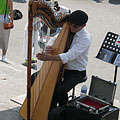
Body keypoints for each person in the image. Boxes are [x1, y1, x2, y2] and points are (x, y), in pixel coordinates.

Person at [36, 10, 92, 107]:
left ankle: (63, 110)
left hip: (75, 71)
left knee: (60, 90)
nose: (71, 27)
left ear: (84, 26)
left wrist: (49, 58)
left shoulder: (85, 38)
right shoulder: (67, 29)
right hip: (61, 67)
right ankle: (48, 108)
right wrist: (49, 46)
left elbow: (70, 55)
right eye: (70, 24)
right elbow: (54, 39)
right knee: (35, 77)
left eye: (75, 26)